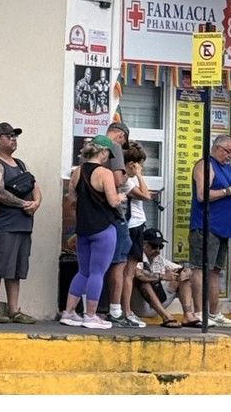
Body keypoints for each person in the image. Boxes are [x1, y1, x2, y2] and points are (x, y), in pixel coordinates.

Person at [60, 135, 123, 330]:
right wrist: (122, 196)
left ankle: (69, 312)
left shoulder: (77, 171)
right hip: (103, 227)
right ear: (102, 152)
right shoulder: (105, 173)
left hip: (83, 229)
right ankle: (91, 315)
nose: (108, 157)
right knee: (97, 272)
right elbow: (113, 201)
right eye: (107, 154)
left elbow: (72, 198)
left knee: (83, 271)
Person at [0, 122, 39, 324]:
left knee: (16, 269)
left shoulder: (21, 163)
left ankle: (14, 310)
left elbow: (34, 184)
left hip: (23, 223)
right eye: (9, 136)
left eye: (15, 136)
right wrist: (23, 203)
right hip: (4, 223)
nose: (13, 139)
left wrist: (36, 202)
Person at [189, 134, 231, 327]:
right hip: (206, 226)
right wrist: (228, 191)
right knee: (200, 268)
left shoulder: (226, 167)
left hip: (223, 228)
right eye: (228, 151)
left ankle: (214, 312)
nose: (230, 156)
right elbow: (202, 194)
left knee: (215, 271)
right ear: (217, 148)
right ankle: (198, 312)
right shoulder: (206, 165)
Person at [131, 229, 199, 328]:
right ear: (144, 245)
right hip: (139, 306)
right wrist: (163, 277)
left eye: (160, 246)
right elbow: (139, 274)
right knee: (143, 282)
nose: (158, 250)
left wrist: (185, 272)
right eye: (154, 246)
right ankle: (166, 317)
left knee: (184, 280)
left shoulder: (159, 259)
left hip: (157, 304)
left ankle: (188, 315)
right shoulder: (137, 257)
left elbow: (182, 269)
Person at [118, 141, 153, 328]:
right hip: (132, 227)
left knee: (127, 271)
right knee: (128, 273)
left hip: (137, 224)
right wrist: (139, 175)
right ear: (133, 164)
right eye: (140, 165)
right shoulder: (127, 180)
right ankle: (126, 310)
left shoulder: (127, 179)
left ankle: (124, 309)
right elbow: (146, 195)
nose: (141, 168)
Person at [103, 121, 130, 326]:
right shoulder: (115, 147)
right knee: (119, 263)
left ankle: (88, 309)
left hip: (94, 214)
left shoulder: (92, 147)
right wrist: (127, 174)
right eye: (124, 139)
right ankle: (115, 310)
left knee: (93, 265)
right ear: (120, 135)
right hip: (113, 212)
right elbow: (119, 180)